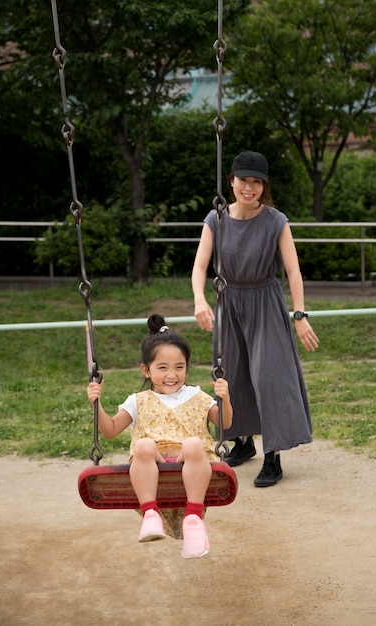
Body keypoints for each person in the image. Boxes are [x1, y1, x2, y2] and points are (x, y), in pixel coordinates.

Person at [191, 150, 319, 488]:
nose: (249, 188)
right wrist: (199, 299)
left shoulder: (276, 220)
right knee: (231, 374)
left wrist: (300, 314)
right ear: (231, 181)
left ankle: (272, 456)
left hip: (265, 301)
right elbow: (200, 266)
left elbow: (293, 269)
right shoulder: (215, 219)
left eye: (256, 182)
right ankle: (242, 441)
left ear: (264, 186)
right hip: (229, 301)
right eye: (243, 180)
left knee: (268, 376)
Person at [87, 314, 232, 559]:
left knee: (194, 444)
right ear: (146, 370)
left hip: (192, 465)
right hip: (153, 467)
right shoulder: (138, 401)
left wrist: (224, 398)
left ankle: (194, 519)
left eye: (179, 367)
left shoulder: (198, 396)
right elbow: (110, 430)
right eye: (162, 367)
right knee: (143, 445)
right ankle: (150, 514)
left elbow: (225, 423)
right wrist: (96, 405)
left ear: (187, 366)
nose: (171, 375)